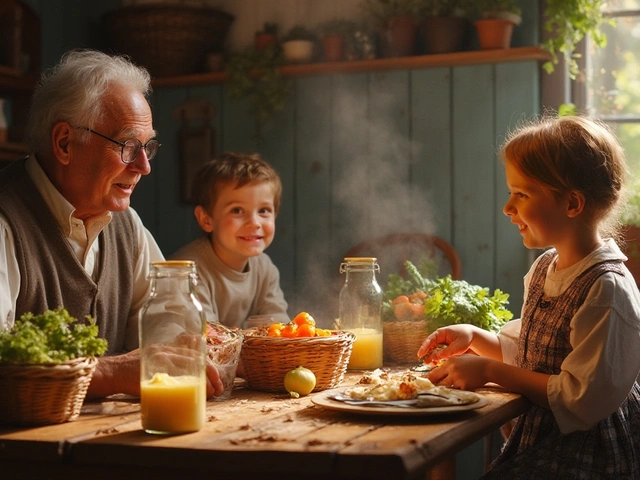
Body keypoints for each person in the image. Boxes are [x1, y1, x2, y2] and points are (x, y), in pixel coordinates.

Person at [417, 115, 640, 478]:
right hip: (540, 439)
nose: (508, 207)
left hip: (587, 453)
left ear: (572, 204)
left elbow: (580, 397)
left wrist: (489, 370)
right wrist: (475, 339)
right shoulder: (545, 268)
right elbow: (534, 355)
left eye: (521, 194)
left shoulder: (606, 289)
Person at [0, 49, 222, 399]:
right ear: (64, 143)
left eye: (148, 147)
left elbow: (165, 311)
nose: (144, 166)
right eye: (128, 145)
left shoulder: (126, 225)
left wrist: (177, 346)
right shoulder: (6, 221)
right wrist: (111, 373)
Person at [170, 152, 289, 329]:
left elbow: (278, 328)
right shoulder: (186, 272)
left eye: (264, 210)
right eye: (237, 211)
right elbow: (206, 337)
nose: (254, 223)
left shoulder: (265, 268)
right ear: (206, 219)